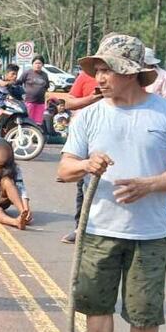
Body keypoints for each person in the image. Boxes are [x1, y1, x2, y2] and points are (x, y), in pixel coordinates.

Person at [58, 33, 166, 332]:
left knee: (144, 310)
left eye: (108, 70)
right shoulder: (89, 116)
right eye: (97, 70)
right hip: (98, 230)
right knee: (96, 305)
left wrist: (150, 185)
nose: (99, 78)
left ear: (132, 72)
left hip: (149, 233)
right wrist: (86, 165)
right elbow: (64, 169)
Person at [60, 69, 105, 244]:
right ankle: (81, 228)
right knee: (83, 184)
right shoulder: (86, 76)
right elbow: (69, 103)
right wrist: (92, 99)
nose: (103, 77)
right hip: (87, 138)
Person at [17, 55, 49, 125]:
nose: (38, 65)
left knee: (37, 123)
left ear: (42, 65)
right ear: (32, 64)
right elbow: (18, 83)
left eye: (39, 63)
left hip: (40, 103)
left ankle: (35, 135)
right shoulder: (27, 73)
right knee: (27, 121)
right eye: (36, 63)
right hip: (29, 102)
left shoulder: (45, 75)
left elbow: (46, 87)